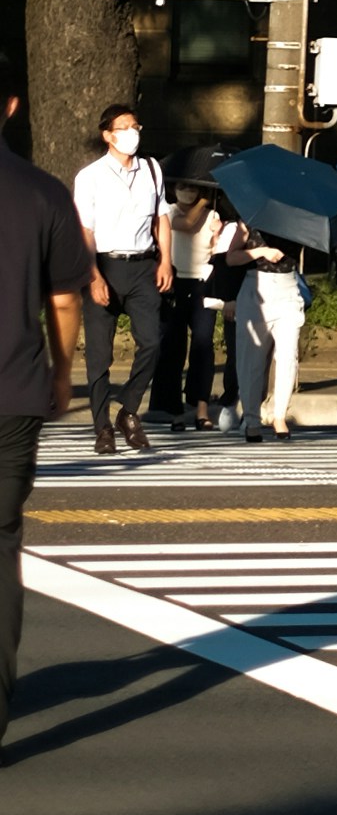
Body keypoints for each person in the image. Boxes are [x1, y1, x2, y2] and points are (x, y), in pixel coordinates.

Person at [0, 99, 86, 748]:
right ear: (10, 107)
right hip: (13, 394)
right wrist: (61, 374)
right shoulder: (42, 192)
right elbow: (62, 297)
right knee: (0, 548)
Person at [72, 102, 165, 457]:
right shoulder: (90, 176)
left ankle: (128, 410)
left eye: (136, 127)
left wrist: (166, 260)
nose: (132, 133)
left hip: (142, 264)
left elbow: (162, 218)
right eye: (124, 128)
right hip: (105, 265)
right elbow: (85, 229)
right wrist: (94, 276)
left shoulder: (152, 169)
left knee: (153, 341)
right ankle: (102, 428)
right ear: (108, 135)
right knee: (99, 356)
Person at [153, 181, 242, 434]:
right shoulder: (168, 212)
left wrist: (217, 234)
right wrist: (204, 200)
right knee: (173, 346)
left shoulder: (213, 215)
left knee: (203, 347)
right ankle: (175, 411)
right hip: (175, 283)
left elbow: (217, 251)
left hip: (203, 284)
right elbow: (187, 225)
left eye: (194, 188)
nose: (189, 192)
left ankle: (201, 409)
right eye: (184, 187)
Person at [230, 228, 308, 441]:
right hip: (256, 287)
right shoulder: (249, 221)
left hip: (288, 286)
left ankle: (280, 416)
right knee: (251, 359)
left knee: (288, 356)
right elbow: (231, 257)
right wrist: (261, 252)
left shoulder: (300, 220)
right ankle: (252, 419)